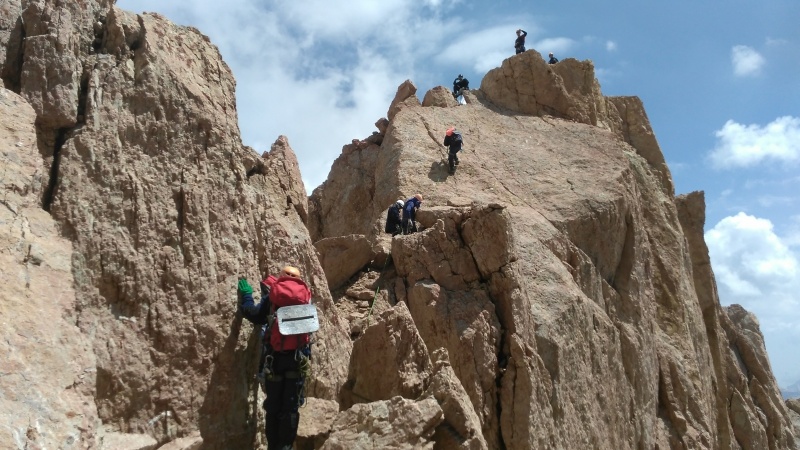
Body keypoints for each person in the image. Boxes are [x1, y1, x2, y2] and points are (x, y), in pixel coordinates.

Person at [238, 266, 312, 450]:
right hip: (297, 360)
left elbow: (254, 315)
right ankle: (285, 446)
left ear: (282, 277)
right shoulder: (306, 297)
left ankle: (273, 446)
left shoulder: (273, 296)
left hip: (274, 359)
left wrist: (247, 296)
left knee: (273, 407)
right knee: (290, 407)